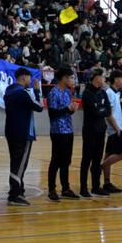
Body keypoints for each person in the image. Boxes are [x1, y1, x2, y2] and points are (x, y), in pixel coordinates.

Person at [4, 67, 44, 206]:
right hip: (23, 132)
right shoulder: (21, 93)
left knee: (15, 161)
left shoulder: (9, 91)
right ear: (24, 77)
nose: (31, 81)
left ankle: (18, 189)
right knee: (20, 163)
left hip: (11, 131)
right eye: (29, 78)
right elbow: (39, 107)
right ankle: (14, 195)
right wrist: (37, 90)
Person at [46, 68, 80, 202]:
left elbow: (66, 112)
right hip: (58, 131)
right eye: (71, 77)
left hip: (68, 130)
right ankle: (51, 189)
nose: (72, 80)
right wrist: (67, 109)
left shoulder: (67, 92)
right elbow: (52, 113)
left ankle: (65, 188)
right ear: (64, 78)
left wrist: (71, 110)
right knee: (56, 160)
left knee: (66, 160)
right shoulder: (54, 92)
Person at [79, 69, 110, 198]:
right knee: (87, 159)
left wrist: (101, 109)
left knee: (97, 160)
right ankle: (83, 188)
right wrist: (101, 110)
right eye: (102, 77)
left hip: (101, 130)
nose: (104, 79)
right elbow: (95, 112)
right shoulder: (87, 93)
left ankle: (96, 186)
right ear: (96, 78)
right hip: (90, 130)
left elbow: (107, 110)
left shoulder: (103, 93)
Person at [101, 71, 122, 194]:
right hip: (115, 130)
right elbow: (108, 114)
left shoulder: (116, 93)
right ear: (115, 79)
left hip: (115, 129)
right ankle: (99, 167)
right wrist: (117, 129)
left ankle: (107, 183)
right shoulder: (110, 94)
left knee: (108, 155)